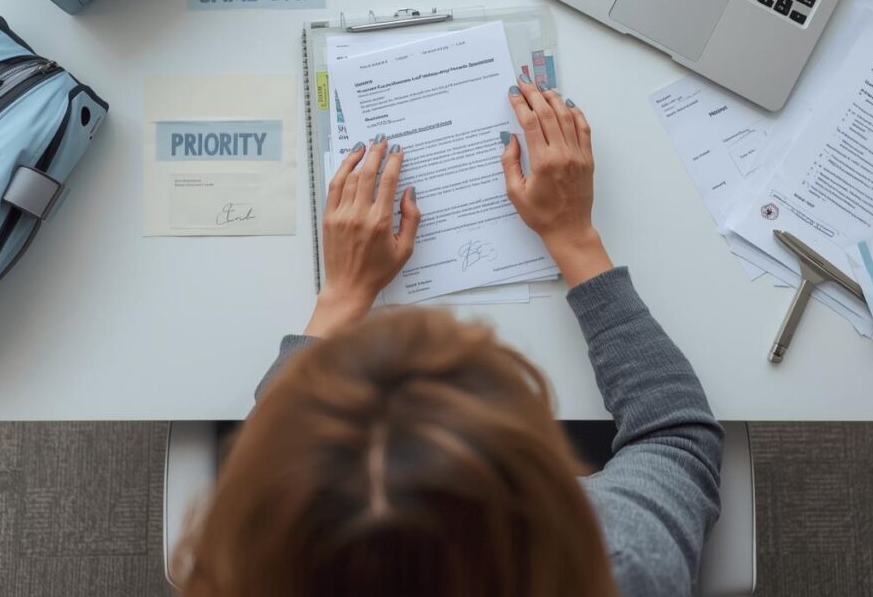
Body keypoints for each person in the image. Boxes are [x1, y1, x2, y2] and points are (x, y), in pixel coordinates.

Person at [178, 77, 723, 597]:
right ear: (532, 479)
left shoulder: (255, 562)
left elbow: (268, 463)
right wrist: (576, 240)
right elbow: (676, 439)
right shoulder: (619, 569)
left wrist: (340, 299)